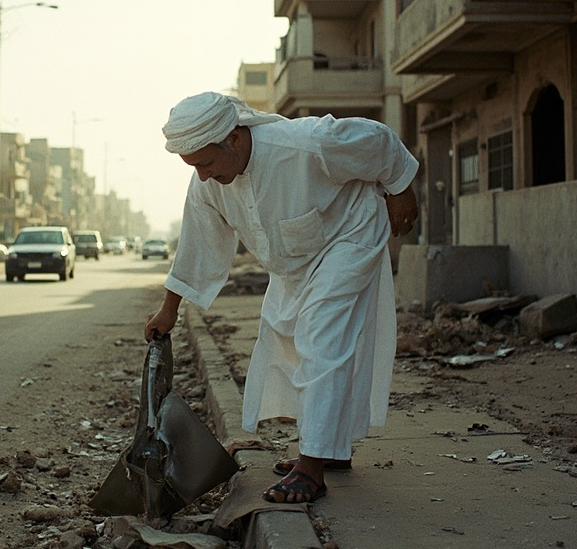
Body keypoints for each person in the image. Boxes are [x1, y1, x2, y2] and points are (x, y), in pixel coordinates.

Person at [145, 92, 419, 505]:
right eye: (194, 167)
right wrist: (169, 310)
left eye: (205, 164)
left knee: (322, 336)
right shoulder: (208, 183)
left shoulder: (306, 143)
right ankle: (330, 447)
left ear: (234, 139)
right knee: (289, 344)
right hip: (294, 261)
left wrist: (401, 188)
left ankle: (311, 467)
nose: (202, 176)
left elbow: (378, 140)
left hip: (348, 234)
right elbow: (196, 245)